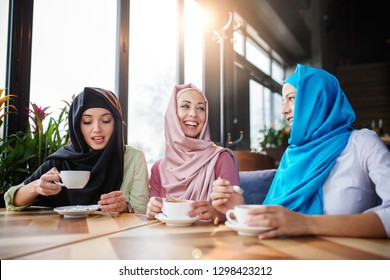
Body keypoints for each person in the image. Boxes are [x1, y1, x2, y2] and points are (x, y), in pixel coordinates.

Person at [211, 64, 390, 239]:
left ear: (317, 98)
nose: (283, 110)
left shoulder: (362, 143)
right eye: (283, 101)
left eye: (292, 98)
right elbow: (277, 224)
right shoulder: (291, 155)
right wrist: (237, 210)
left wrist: (306, 224)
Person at [4, 87, 149, 213]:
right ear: (77, 125)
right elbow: (11, 200)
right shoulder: (61, 159)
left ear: (116, 123)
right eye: (87, 122)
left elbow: (141, 211)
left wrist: (125, 207)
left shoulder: (133, 158)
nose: (97, 129)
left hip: (115, 239)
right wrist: (36, 187)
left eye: (105, 120)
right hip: (63, 236)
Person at [146, 83, 239, 223]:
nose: (193, 114)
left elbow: (234, 212)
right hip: (167, 241)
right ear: (173, 114)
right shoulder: (158, 168)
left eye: (201, 108)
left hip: (210, 241)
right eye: (185, 106)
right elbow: (155, 218)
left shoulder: (221, 158)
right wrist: (152, 208)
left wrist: (218, 214)